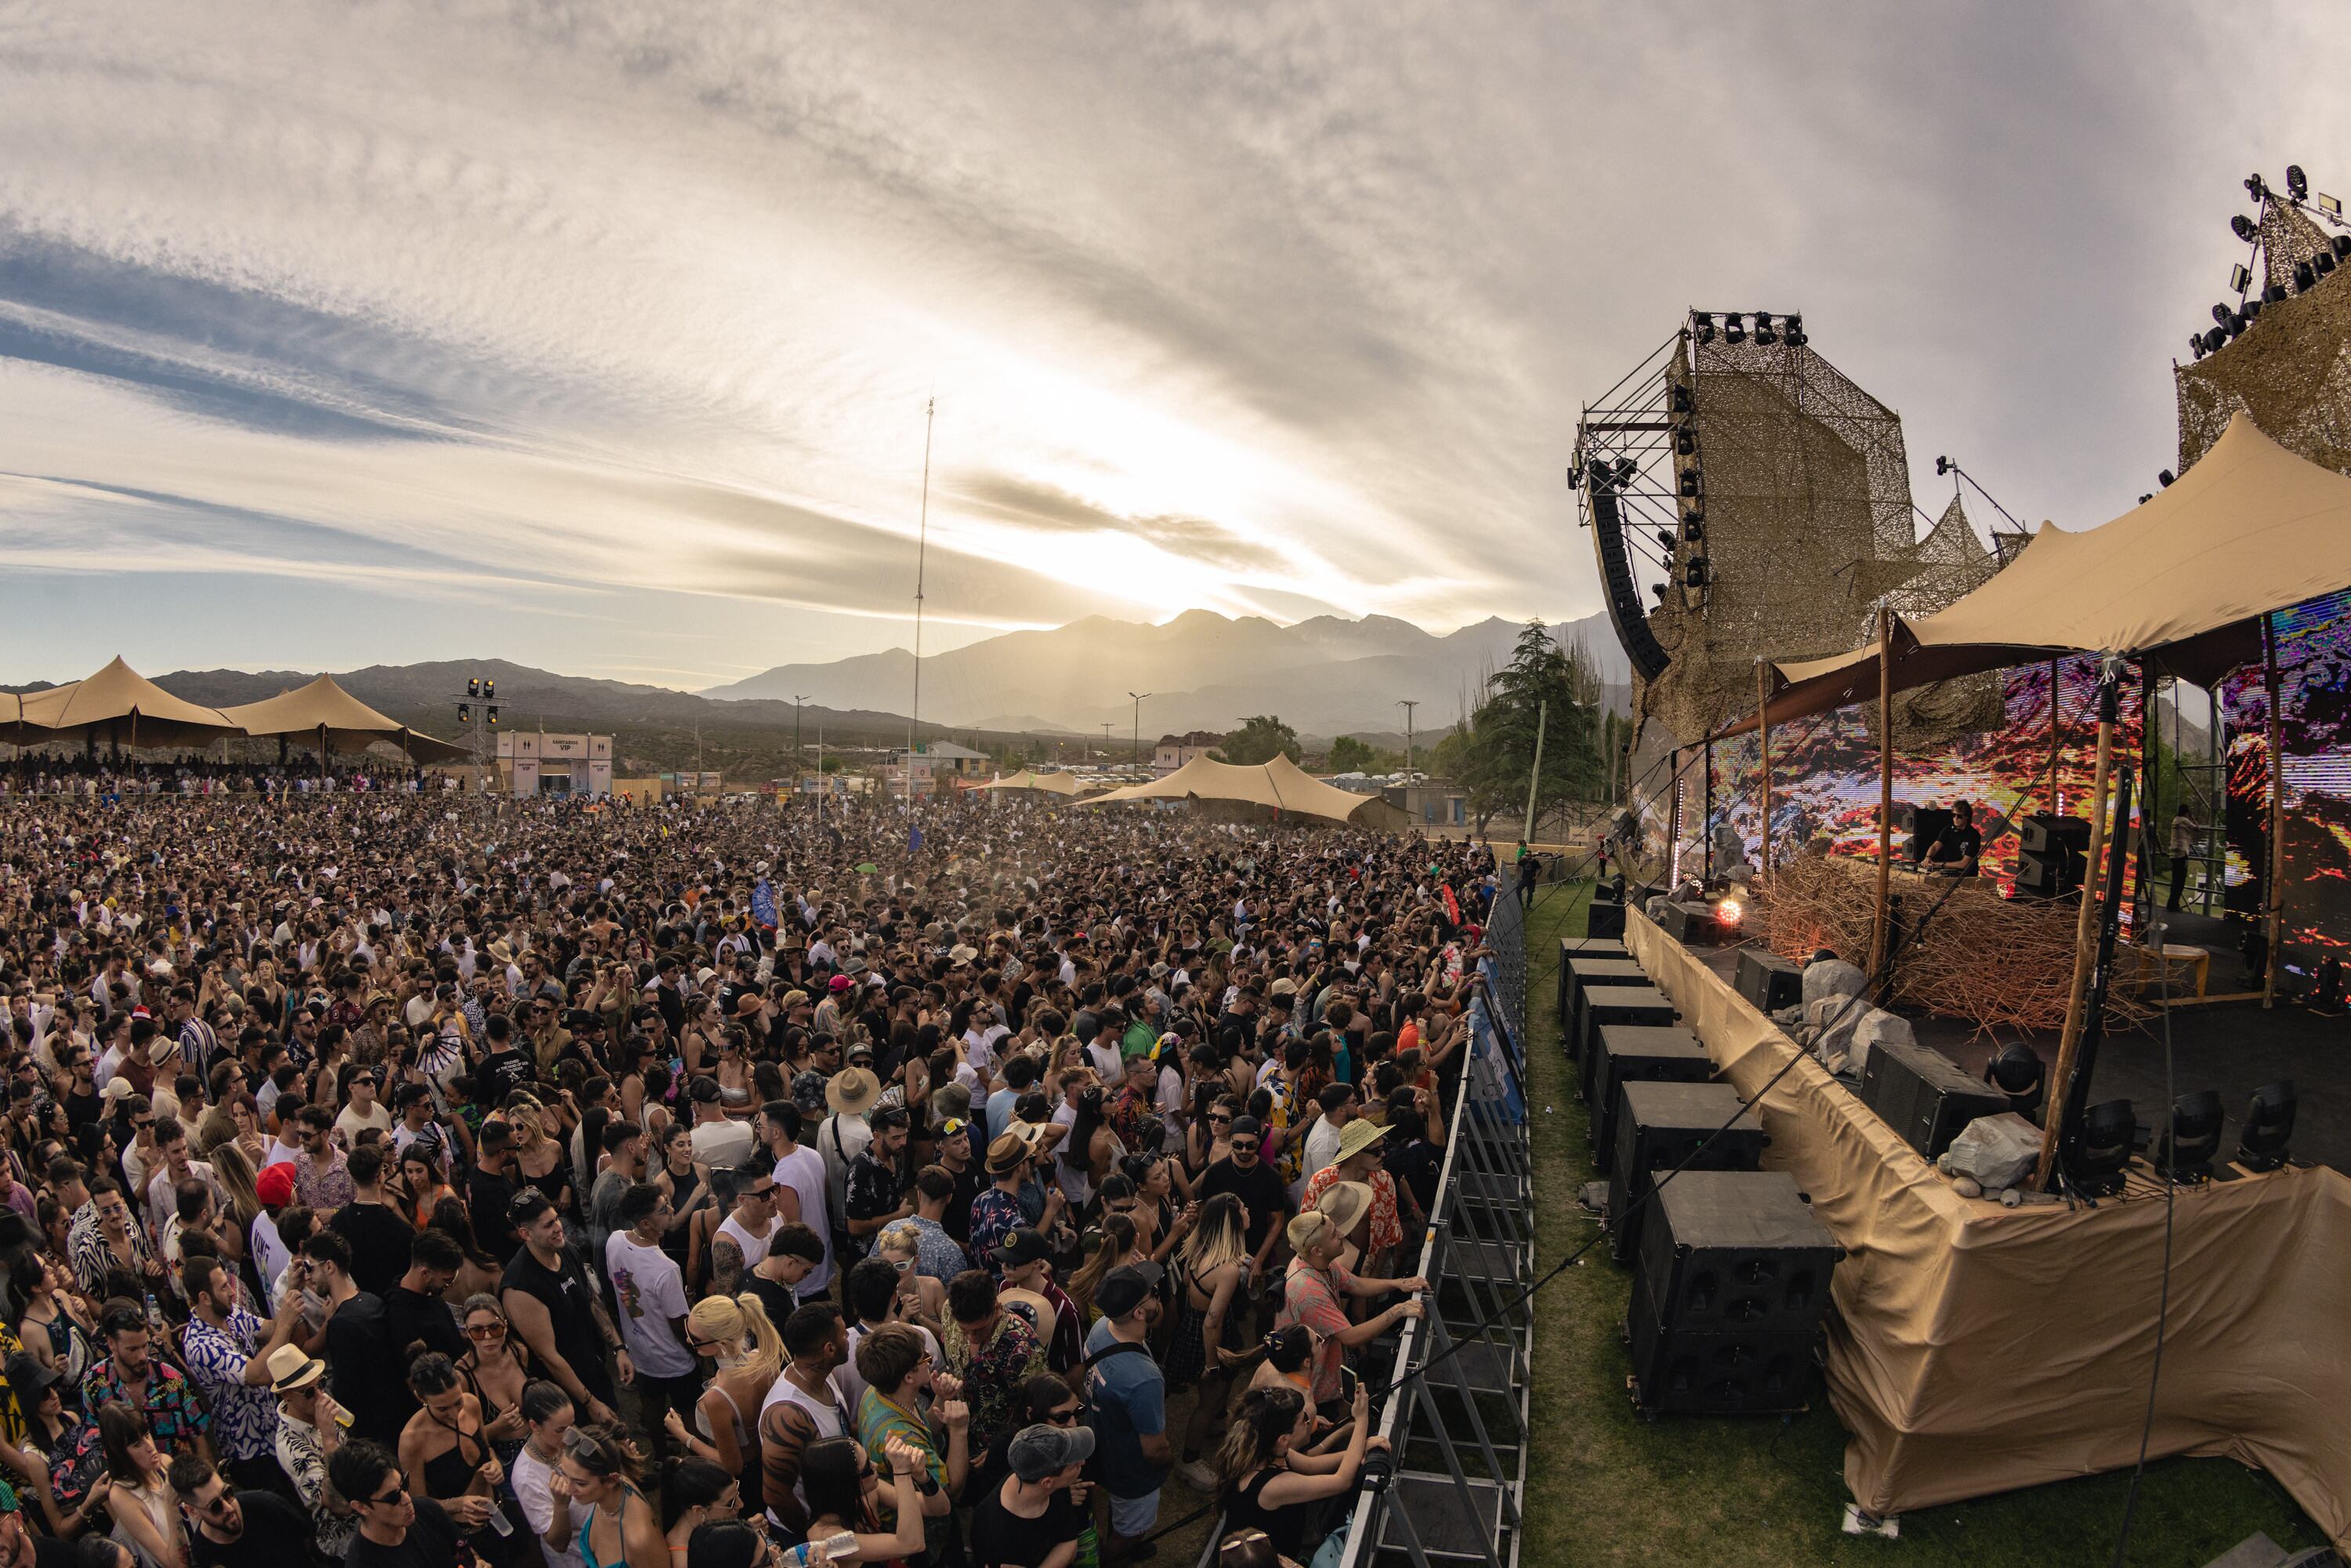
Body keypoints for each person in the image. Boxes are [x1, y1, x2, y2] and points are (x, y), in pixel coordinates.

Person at [1215, 1384, 1388, 1568]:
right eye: (1304, 1420)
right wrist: (1362, 1420)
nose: (1309, 1421)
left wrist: (1361, 1447)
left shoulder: (1263, 1450)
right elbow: (1342, 1481)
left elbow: (1312, 1465)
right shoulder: (1273, 1486)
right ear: (1284, 1439)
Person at [1273, 1208, 1425, 1415]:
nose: (1341, 1235)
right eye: (1334, 1235)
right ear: (1317, 1250)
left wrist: (1399, 1283)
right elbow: (1351, 1337)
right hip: (1311, 1388)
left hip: (1327, 1370)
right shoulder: (1307, 1290)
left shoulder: (1320, 1263)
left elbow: (1356, 1284)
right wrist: (1398, 1310)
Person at [176, 1255, 307, 1495]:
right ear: (204, 1298)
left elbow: (269, 1329)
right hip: (249, 1452)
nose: (231, 1292)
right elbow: (258, 1374)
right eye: (223, 1287)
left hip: (272, 1429)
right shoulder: (201, 1346)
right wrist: (287, 1324)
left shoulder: (229, 1311)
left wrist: (291, 1291)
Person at [500, 1192, 625, 1427]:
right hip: (565, 1398)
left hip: (594, 1368)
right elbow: (549, 1356)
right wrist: (590, 1403)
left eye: (557, 1219)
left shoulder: (567, 1249)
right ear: (526, 1234)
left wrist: (619, 1347)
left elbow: (591, 1300)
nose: (559, 1227)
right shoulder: (521, 1286)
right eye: (548, 1225)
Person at [850, 1324, 965, 1559]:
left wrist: (941, 1398)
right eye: (924, 1357)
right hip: (924, 1535)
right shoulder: (902, 1437)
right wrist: (959, 1431)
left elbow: (927, 1429)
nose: (929, 1361)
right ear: (909, 1376)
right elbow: (952, 1491)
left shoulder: (877, 1391)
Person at [1081, 1266, 1169, 1563]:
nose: (1158, 1298)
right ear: (1140, 1314)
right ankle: (1113, 1556)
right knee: (1130, 1531)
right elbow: (1154, 1449)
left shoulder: (1100, 1328)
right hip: (1132, 1471)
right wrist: (1167, 1461)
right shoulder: (1144, 1379)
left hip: (1103, 1446)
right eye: (1153, 1295)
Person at [603, 1184, 698, 1444]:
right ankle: (698, 1460)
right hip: (674, 1358)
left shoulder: (616, 1241)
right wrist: (695, 1349)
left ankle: (659, 1457)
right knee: (690, 1413)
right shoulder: (666, 1268)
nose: (671, 1210)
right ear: (646, 1224)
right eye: (663, 1209)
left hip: (640, 1351)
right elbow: (679, 1323)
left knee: (651, 1404)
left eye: (666, 1203)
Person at [302, 1229, 406, 1450]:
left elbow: (348, 1393)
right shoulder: (371, 1301)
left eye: (309, 1267)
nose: (307, 1276)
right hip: (397, 1419)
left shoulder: (342, 1324)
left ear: (329, 1266)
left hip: (375, 1434)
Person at [82, 1302, 212, 1468]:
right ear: (111, 1343)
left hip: (180, 1479)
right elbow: (93, 1445)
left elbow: (200, 1440)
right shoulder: (94, 1384)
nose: (143, 1356)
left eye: (145, 1346)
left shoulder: (171, 1379)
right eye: (133, 1349)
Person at [939, 1272, 1045, 1461]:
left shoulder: (1025, 1348)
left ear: (996, 1308)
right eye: (964, 1330)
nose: (971, 1337)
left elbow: (1036, 1410)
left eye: (979, 1330)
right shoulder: (949, 1311)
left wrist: (1002, 1450)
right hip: (955, 1436)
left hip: (996, 1452)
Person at [541, 1421, 664, 1568]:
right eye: (565, 1474)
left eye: (580, 1483)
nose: (568, 1489)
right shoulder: (608, 1493)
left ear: (611, 1481)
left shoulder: (638, 1540)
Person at [329, 1439, 469, 1568]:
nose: (407, 1499)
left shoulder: (426, 1509)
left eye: (404, 1485)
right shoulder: (363, 1562)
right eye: (393, 1497)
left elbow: (464, 1555)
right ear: (361, 1507)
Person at [969, 1424, 1093, 1568]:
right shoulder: (995, 1534)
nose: (1082, 1462)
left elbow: (1069, 1542)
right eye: (1074, 1464)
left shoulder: (1049, 1482)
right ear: (1047, 1482)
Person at [793, 1435, 927, 1568]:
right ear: (846, 1484)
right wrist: (902, 1472)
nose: (875, 1465)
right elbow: (912, 1544)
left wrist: (923, 1477)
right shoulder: (826, 1537)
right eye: (867, 1466)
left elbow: (940, 1508)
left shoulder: (866, 1494)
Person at [166, 1453, 315, 1568]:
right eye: (215, 1506)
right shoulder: (203, 1552)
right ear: (193, 1512)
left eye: (227, 1493)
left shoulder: (268, 1505)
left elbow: (308, 1541)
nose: (229, 1508)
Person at [94, 1405, 182, 1568]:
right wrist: (172, 1506)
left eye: (147, 1435)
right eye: (137, 1444)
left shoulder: (166, 1463)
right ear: (121, 1452)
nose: (149, 1446)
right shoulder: (122, 1495)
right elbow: (172, 1563)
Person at [509, 1383, 585, 1568]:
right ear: (535, 1426)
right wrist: (560, 1506)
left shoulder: (570, 1438)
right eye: (559, 1430)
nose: (570, 1434)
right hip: (576, 1560)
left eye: (572, 1423)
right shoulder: (526, 1477)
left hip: (601, 1541)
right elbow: (558, 1543)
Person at [1924, 801, 1982, 877]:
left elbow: (1964, 864)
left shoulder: (1974, 835)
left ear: (1967, 816)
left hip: (1966, 877)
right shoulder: (1948, 830)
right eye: (1954, 815)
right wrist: (1928, 857)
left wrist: (1941, 864)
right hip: (1949, 874)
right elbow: (1935, 846)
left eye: (1959, 816)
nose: (1956, 818)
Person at [2168, 803, 2203, 911]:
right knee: (2180, 881)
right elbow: (2198, 829)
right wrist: (2193, 818)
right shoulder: (2184, 820)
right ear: (2186, 812)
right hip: (2182, 853)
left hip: (2173, 852)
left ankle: (2171, 902)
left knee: (2175, 880)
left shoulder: (2176, 820)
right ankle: (2174, 904)